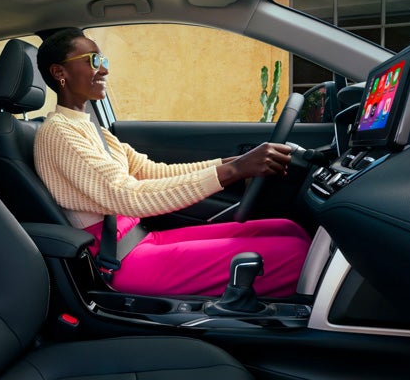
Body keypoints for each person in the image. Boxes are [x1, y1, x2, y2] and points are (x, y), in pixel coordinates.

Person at [34, 28, 311, 297]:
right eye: (94, 61)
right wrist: (233, 171)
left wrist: (235, 162)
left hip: (136, 240)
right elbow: (127, 195)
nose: (104, 69)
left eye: (103, 60)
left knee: (287, 228)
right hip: (118, 259)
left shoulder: (94, 129)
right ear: (60, 72)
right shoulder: (60, 132)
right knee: (295, 256)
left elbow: (151, 172)